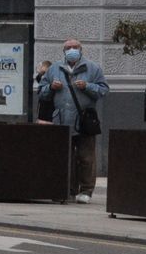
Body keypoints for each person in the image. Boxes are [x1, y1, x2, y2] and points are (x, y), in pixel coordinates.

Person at [35, 38, 108, 203]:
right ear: (64, 51)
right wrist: (51, 87)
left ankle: (86, 190)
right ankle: (69, 189)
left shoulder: (93, 68)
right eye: (68, 47)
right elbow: (41, 92)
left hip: (84, 120)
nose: (72, 50)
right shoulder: (54, 68)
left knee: (86, 157)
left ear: (81, 49)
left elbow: (103, 90)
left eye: (75, 47)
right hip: (61, 120)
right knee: (66, 157)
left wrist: (87, 86)